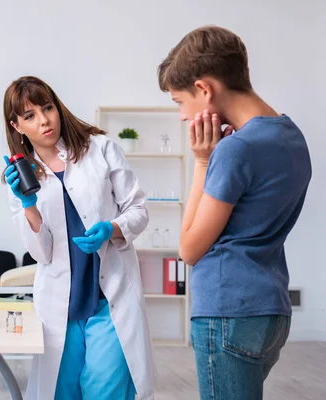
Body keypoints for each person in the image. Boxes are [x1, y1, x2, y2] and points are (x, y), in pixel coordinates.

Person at [157, 26, 312, 399]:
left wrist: (200, 162)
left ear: (205, 89)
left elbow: (189, 250)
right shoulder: (291, 136)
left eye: (180, 101)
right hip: (270, 310)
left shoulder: (233, 150)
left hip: (227, 312)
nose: (181, 115)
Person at [1, 76, 156, 400]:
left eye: (47, 108)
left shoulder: (101, 149)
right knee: (62, 392)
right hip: (61, 304)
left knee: (106, 389)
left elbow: (138, 209)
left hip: (107, 296)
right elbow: (41, 253)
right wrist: (29, 207)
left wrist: (110, 229)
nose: (44, 120)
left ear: (58, 106)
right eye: (30, 116)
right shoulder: (20, 177)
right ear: (16, 125)